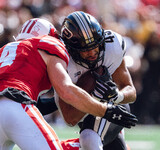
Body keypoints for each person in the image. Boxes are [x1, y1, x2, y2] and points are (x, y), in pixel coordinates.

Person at [0, 18, 137, 150]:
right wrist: (105, 110)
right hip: (16, 107)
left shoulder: (2, 52)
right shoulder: (48, 43)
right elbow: (66, 90)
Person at [38, 11, 137, 150]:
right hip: (86, 114)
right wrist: (95, 95)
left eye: (95, 46)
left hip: (113, 105)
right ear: (71, 49)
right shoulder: (62, 61)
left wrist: (117, 95)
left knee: (89, 138)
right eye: (85, 49)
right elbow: (70, 118)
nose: (92, 53)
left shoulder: (112, 46)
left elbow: (131, 91)